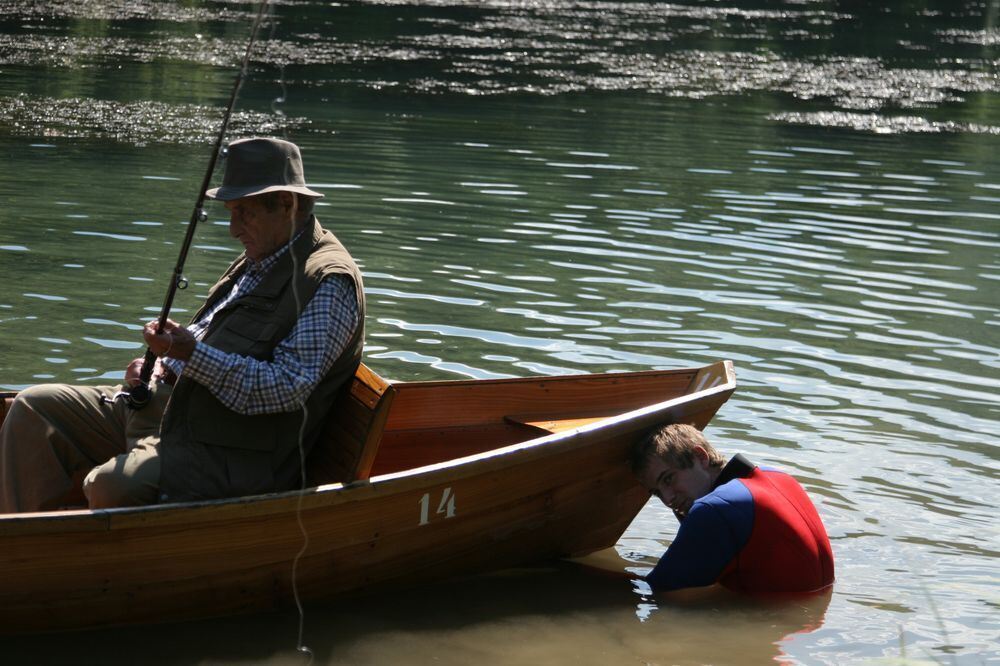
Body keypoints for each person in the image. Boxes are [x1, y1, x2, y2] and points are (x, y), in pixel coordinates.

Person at [0, 137, 366, 512]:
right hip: (168, 407)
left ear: (287, 204)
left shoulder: (328, 281)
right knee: (34, 409)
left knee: (112, 486)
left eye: (244, 212)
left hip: (227, 449)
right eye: (230, 212)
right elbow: (212, 337)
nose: (233, 228)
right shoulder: (263, 253)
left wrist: (189, 354)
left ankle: (79, 556)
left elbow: (287, 388)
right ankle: (23, 548)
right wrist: (160, 365)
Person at [629, 423, 834, 594]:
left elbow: (654, 589)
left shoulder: (713, 510)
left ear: (700, 457)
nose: (668, 499)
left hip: (773, 621)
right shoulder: (778, 476)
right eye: (657, 492)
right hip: (810, 613)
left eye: (669, 479)